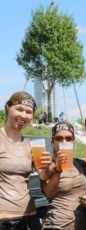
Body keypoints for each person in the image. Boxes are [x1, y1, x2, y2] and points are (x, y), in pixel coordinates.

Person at [0, 91, 52, 229]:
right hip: (3, 219)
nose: (23, 115)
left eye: (29, 112)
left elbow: (43, 176)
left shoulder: (31, 144)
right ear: (7, 107)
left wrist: (47, 167)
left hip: (30, 216)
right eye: (19, 109)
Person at [42, 121, 86, 229]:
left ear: (73, 141)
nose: (64, 142)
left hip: (81, 225)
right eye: (59, 139)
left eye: (68, 138)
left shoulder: (81, 164)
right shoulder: (48, 166)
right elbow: (49, 193)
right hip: (57, 225)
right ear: (52, 141)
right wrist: (58, 170)